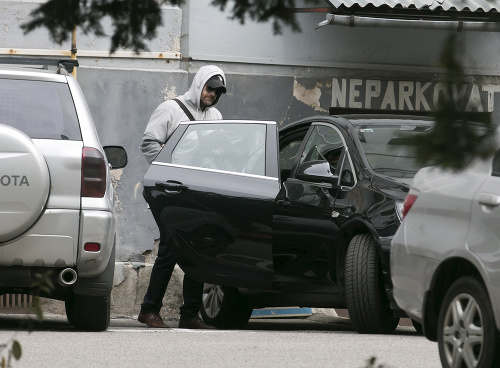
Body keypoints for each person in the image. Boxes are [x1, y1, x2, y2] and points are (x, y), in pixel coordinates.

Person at [138, 65, 227, 329]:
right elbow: (149, 144)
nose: (211, 94)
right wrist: (169, 169)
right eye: (209, 88)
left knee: (199, 249)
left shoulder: (216, 116)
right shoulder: (170, 109)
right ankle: (149, 310)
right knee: (170, 247)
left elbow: (217, 151)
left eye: (217, 91)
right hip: (172, 190)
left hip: (201, 192)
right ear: (199, 84)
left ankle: (189, 315)